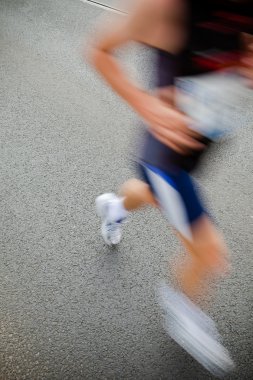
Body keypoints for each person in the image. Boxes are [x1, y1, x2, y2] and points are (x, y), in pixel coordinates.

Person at [87, 0, 253, 376]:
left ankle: (115, 207)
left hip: (204, 140)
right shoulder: (165, 6)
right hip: (166, 155)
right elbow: (98, 50)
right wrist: (146, 104)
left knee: (146, 192)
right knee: (209, 252)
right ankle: (184, 310)